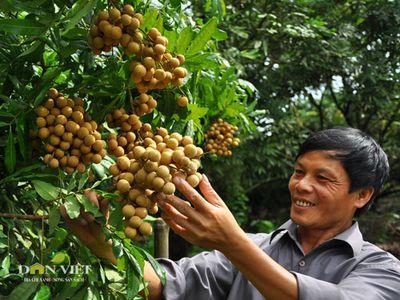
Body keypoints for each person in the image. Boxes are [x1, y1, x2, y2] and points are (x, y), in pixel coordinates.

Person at [61, 127, 400, 299]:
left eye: (322, 178)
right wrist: (103, 242)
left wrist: (233, 242)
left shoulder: (382, 270)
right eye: (299, 172)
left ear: (362, 195)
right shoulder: (251, 249)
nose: (301, 186)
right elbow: (162, 285)